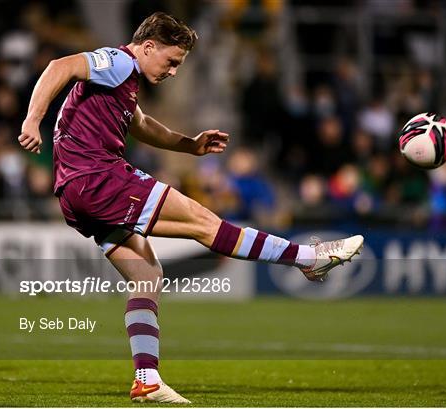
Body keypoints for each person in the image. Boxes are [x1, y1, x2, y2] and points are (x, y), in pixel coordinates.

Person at [18, 11, 364, 403]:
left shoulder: (123, 83)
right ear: (148, 47)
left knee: (147, 276)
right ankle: (306, 257)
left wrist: (191, 144)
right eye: (171, 62)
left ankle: (146, 379)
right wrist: (33, 120)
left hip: (75, 193)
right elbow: (60, 66)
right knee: (205, 224)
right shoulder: (118, 62)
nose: (173, 72)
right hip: (98, 178)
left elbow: (143, 125)